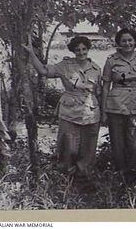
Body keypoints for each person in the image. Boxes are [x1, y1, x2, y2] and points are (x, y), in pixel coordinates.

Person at [23, 35, 101, 177]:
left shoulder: (96, 68)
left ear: (88, 49)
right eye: (77, 50)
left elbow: (99, 92)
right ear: (73, 51)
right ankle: (65, 178)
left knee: (88, 149)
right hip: (70, 111)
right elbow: (44, 71)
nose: (81, 52)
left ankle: (84, 179)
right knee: (68, 147)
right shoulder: (65, 66)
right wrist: (31, 53)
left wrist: (103, 112)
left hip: (91, 112)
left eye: (84, 49)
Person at [101, 28, 136, 181]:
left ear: (135, 42)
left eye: (130, 40)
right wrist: (103, 111)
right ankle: (119, 172)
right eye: (124, 41)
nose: (127, 43)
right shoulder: (111, 60)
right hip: (115, 104)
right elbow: (105, 86)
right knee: (117, 142)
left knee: (135, 141)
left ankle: (132, 172)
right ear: (119, 43)